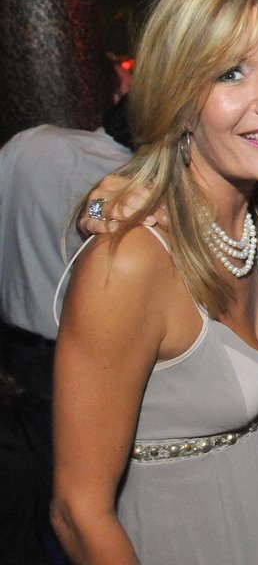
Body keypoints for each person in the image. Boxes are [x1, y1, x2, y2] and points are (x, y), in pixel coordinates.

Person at [49, 0, 258, 564]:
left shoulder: (252, 220)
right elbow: (77, 512)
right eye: (231, 73)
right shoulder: (130, 262)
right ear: (179, 97)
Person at [0, 62, 133, 563]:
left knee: (35, 500)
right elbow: (91, 216)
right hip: (91, 367)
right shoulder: (130, 183)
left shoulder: (29, 145)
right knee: (87, 500)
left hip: (16, 356)